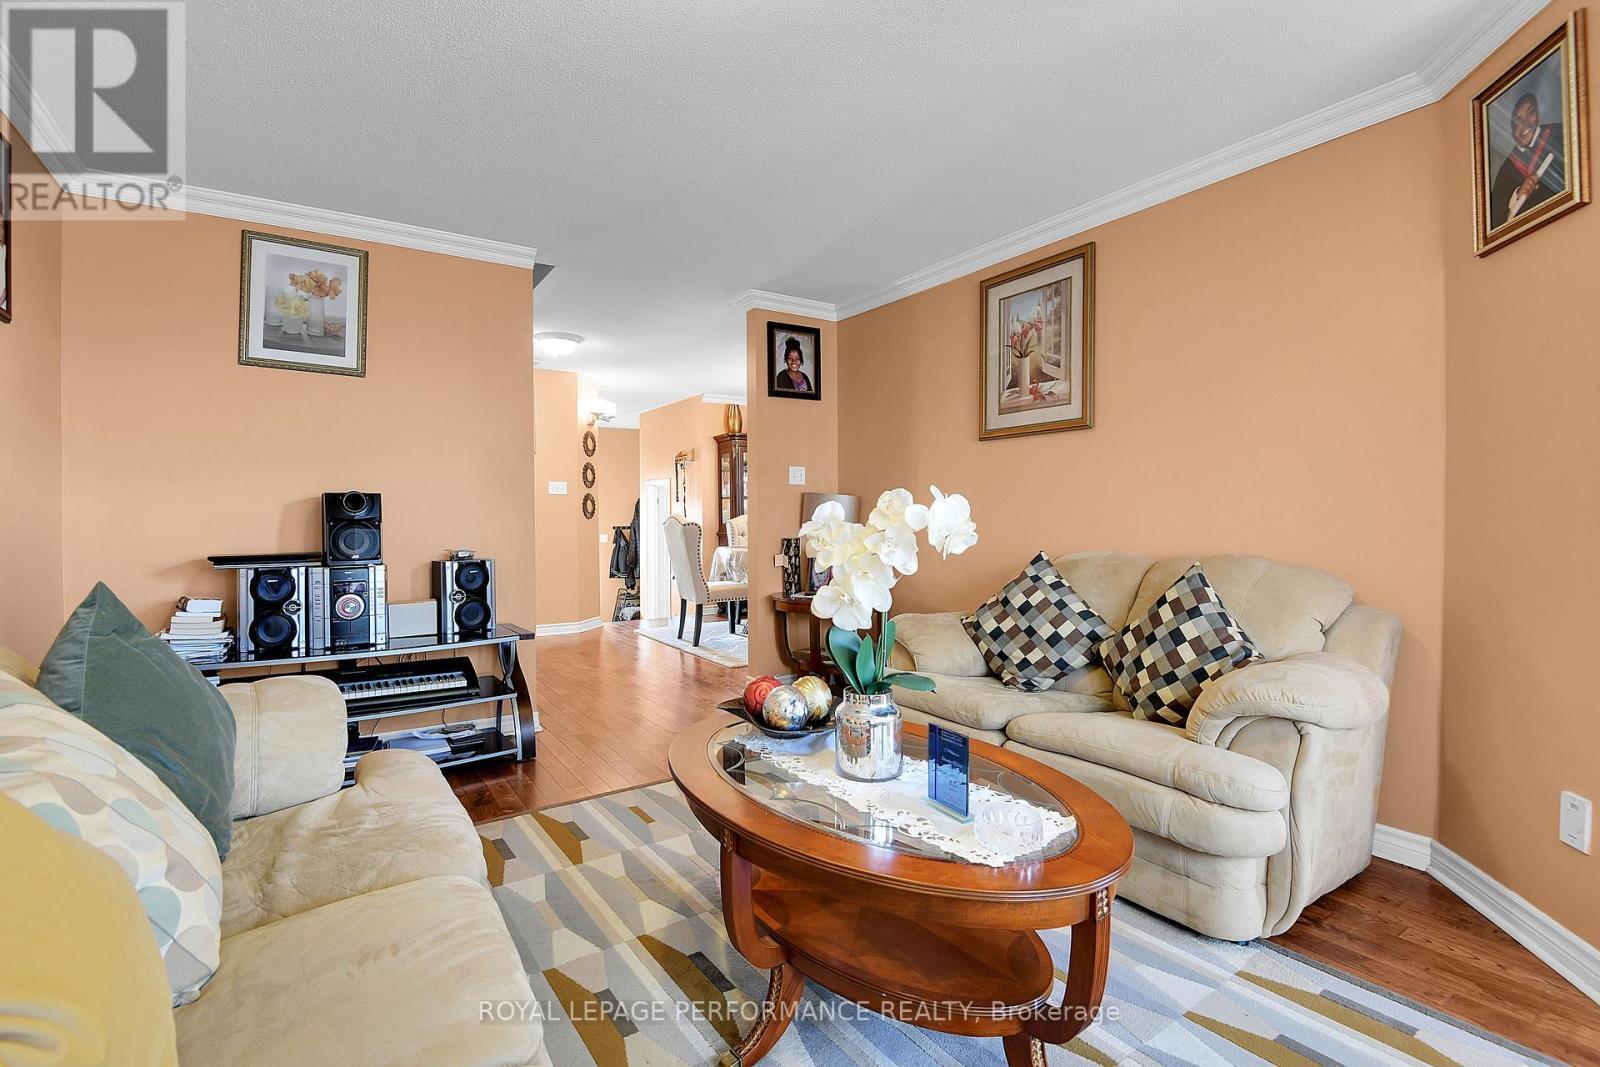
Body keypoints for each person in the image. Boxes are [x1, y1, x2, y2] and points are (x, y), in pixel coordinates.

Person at [1490, 90, 1565, 229]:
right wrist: (1517, 195)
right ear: (1512, 131)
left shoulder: (1560, 135)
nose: (1524, 123)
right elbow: (1496, 222)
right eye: (1518, 120)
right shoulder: (1507, 169)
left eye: (1530, 113)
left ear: (1538, 116)